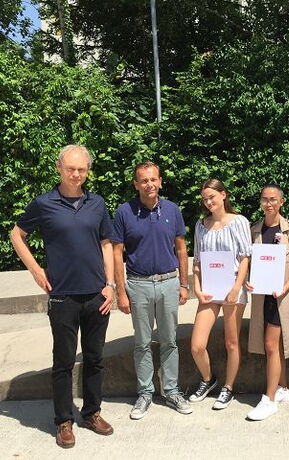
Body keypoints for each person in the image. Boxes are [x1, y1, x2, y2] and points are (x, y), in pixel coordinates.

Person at [10, 145, 114, 448]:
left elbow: (106, 243)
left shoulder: (97, 203)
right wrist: (35, 269)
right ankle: (64, 421)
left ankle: (92, 413)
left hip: (97, 295)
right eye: (71, 169)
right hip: (63, 297)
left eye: (81, 169)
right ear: (59, 168)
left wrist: (110, 284)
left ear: (88, 171)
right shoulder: (44, 203)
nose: (76, 174)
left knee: (95, 359)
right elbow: (16, 234)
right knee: (64, 361)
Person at [112, 161, 191, 419]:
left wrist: (184, 284)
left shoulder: (172, 210)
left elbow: (181, 248)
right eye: (144, 180)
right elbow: (116, 253)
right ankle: (145, 393)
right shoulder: (124, 212)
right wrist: (121, 292)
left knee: (169, 341)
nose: (149, 184)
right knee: (142, 343)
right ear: (136, 184)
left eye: (153, 179)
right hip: (138, 285)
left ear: (160, 181)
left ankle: (171, 391)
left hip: (169, 282)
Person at [245, 184, 289, 421]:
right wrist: (248, 280)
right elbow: (248, 262)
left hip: (282, 297)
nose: (268, 203)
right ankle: (283, 388)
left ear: (281, 202)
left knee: (270, 345)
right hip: (263, 296)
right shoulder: (254, 230)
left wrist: (286, 286)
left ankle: (269, 399)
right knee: (275, 346)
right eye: (265, 199)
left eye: (273, 199)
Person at [189, 179, 251, 409]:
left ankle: (229, 387)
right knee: (197, 345)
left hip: (233, 289)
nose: (208, 202)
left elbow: (245, 257)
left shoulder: (239, 221)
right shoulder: (201, 225)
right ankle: (208, 379)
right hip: (209, 290)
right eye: (205, 199)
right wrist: (197, 288)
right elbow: (197, 262)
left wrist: (236, 288)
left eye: (212, 197)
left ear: (223, 195)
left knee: (231, 342)